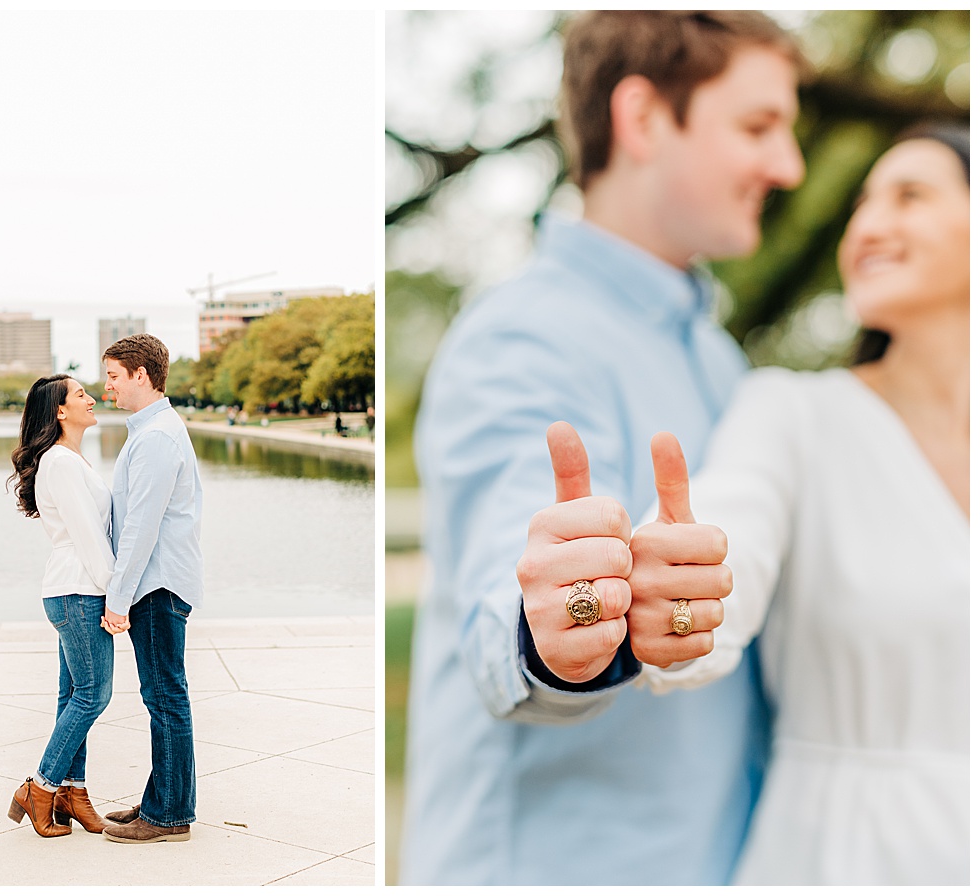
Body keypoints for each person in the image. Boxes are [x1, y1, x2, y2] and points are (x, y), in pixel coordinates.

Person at [400, 11, 805, 885]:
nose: (789, 166)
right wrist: (553, 640)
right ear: (645, 118)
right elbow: (505, 590)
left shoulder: (718, 356)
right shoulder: (521, 339)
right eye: (759, 126)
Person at [622, 122, 969, 884]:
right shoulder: (793, 414)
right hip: (838, 856)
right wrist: (679, 595)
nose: (870, 226)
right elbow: (728, 537)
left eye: (909, 196)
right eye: (860, 206)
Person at [6, 374, 128, 838]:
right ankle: (39, 787)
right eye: (80, 394)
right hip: (79, 590)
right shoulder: (61, 462)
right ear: (59, 410)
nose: (92, 398)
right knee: (93, 695)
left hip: (71, 590)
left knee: (72, 697)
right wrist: (116, 596)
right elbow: (90, 538)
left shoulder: (69, 460)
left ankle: (71, 794)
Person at [97, 333, 204, 845]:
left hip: (156, 585)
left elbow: (141, 525)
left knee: (165, 698)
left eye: (114, 376)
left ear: (142, 375)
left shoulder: (158, 436)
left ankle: (169, 816)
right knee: (163, 696)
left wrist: (118, 600)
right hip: (156, 582)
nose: (107, 386)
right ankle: (164, 797)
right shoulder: (151, 430)